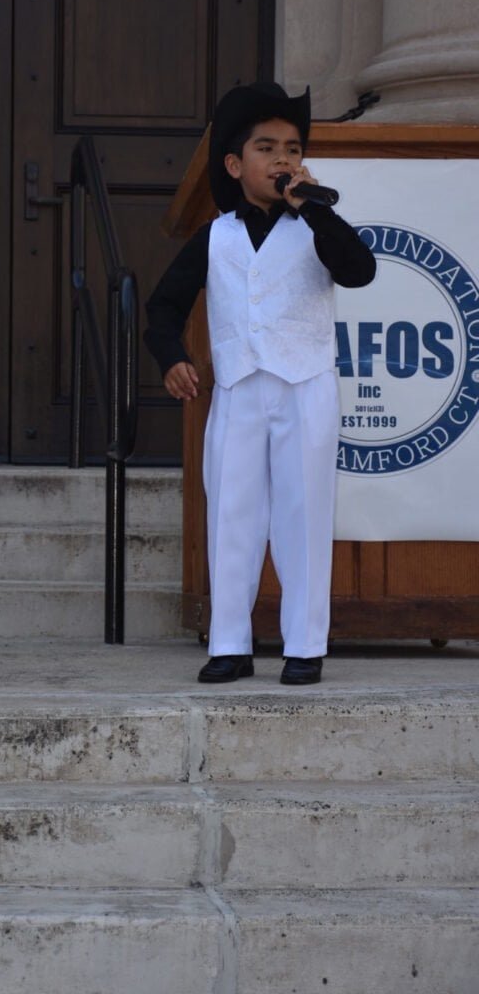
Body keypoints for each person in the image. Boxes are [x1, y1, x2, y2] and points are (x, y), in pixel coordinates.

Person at [144, 83, 376, 685]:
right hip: (239, 390)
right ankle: (229, 643)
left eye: (293, 149)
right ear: (234, 164)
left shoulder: (319, 229)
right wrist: (172, 357)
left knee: (303, 515)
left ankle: (305, 645)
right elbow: (162, 308)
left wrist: (314, 207)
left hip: (305, 388)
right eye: (266, 148)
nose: (282, 160)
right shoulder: (214, 237)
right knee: (232, 514)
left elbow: (360, 270)